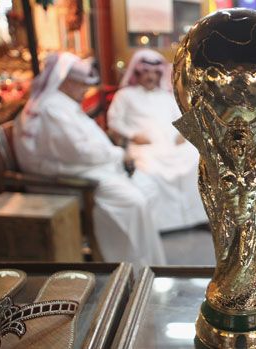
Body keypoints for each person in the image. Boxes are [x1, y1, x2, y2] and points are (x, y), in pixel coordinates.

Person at [13, 52, 165, 268]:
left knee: (148, 187)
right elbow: (80, 152)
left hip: (81, 168)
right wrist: (119, 154)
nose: (85, 90)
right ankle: (127, 268)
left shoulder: (61, 104)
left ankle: (149, 265)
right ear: (64, 81)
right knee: (133, 201)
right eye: (80, 84)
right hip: (67, 178)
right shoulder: (52, 108)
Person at [107, 49, 207, 231]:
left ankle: (196, 218)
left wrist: (181, 134)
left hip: (172, 143)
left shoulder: (167, 96)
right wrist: (132, 135)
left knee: (196, 160)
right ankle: (162, 224)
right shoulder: (125, 96)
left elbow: (181, 119)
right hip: (145, 145)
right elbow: (114, 121)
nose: (150, 76)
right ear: (137, 73)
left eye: (154, 72)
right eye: (145, 72)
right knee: (151, 169)